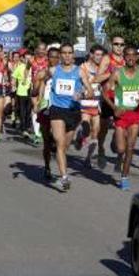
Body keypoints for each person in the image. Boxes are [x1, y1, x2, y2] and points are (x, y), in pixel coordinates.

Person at [46, 43, 91, 192]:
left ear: (73, 55)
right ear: (60, 55)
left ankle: (61, 168)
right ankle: (64, 178)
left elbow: (90, 91)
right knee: (59, 142)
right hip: (57, 110)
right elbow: (40, 79)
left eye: (69, 53)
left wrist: (82, 93)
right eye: (64, 53)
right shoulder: (53, 71)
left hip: (73, 112)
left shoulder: (79, 72)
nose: (67, 55)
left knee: (64, 147)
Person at [104, 46, 139, 190]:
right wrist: (114, 108)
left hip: (135, 114)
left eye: (133, 55)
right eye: (127, 55)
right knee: (121, 149)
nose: (130, 58)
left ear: (136, 58)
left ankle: (124, 177)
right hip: (121, 115)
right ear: (124, 57)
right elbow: (105, 93)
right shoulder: (117, 73)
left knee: (130, 147)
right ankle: (118, 156)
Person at [77, 45, 109, 168]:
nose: (99, 57)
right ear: (91, 54)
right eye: (97, 54)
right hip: (85, 102)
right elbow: (81, 83)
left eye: (101, 55)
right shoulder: (83, 67)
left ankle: (88, 158)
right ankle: (81, 135)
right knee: (86, 128)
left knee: (95, 132)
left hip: (97, 104)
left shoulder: (104, 70)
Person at [97, 35, 126, 167]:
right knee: (103, 129)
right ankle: (101, 149)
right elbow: (97, 78)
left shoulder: (126, 60)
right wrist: (112, 73)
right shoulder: (107, 59)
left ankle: (120, 157)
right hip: (107, 98)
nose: (119, 47)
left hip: (121, 99)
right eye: (116, 44)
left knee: (122, 129)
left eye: (121, 44)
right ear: (111, 45)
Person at [34, 47, 61, 179]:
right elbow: (34, 91)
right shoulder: (41, 73)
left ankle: (55, 144)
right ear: (47, 58)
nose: (54, 59)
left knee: (57, 137)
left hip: (59, 107)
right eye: (51, 57)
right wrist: (36, 103)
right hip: (45, 107)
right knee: (46, 140)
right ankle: (47, 166)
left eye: (56, 57)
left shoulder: (64, 73)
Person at [12, 49, 33, 139]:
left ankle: (26, 126)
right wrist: (13, 86)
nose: (28, 60)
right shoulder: (20, 67)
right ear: (23, 59)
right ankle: (24, 129)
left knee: (29, 111)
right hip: (21, 91)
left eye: (30, 58)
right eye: (26, 58)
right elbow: (14, 77)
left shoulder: (32, 67)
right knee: (23, 111)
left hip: (30, 91)